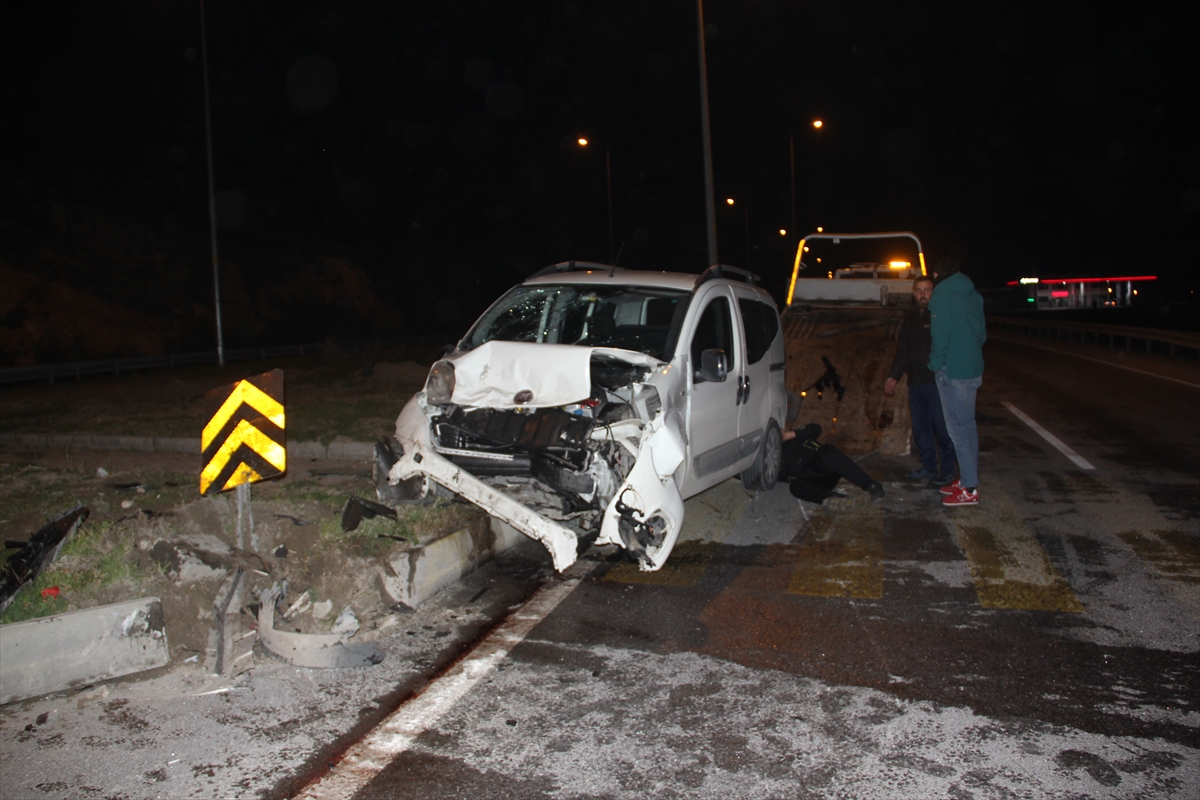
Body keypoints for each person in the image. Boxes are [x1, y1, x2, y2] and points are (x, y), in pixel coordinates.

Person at [885, 276, 957, 484]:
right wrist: (893, 375)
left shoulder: (942, 315)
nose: (923, 295)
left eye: (927, 290)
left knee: (943, 430)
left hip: (938, 382)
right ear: (913, 293)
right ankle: (928, 467)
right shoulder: (910, 317)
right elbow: (904, 350)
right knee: (921, 428)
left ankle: (948, 470)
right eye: (918, 290)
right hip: (915, 382)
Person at [927, 257, 986, 506]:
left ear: (937, 273)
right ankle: (966, 480)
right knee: (967, 428)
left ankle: (970, 489)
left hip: (953, 370)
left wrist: (934, 363)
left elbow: (940, 334)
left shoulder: (941, 293)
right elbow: (982, 333)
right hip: (972, 368)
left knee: (959, 432)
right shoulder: (974, 294)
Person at [781, 423, 885, 504]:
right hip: (811, 480)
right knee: (795, 488)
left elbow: (816, 428)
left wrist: (789, 434)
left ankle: (871, 485)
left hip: (823, 465)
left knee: (829, 453)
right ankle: (832, 499)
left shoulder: (796, 438)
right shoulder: (770, 463)